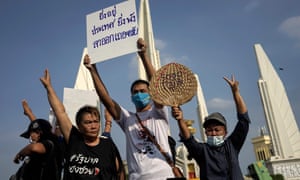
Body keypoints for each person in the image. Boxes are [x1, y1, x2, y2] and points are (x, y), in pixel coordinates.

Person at [84, 38, 175, 179]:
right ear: (131, 96)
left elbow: (157, 83)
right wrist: (92, 70)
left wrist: (143, 55)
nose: (139, 94)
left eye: (143, 91)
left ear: (151, 93)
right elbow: (106, 100)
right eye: (135, 92)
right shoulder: (127, 119)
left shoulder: (159, 113)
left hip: (162, 176)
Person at [40, 69, 125, 180]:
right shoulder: (74, 139)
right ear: (79, 126)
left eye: (96, 122)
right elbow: (60, 112)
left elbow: (120, 173)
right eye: (88, 122)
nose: (93, 126)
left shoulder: (108, 145)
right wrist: (49, 88)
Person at [171, 75, 250, 180]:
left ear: (225, 132)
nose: (213, 133)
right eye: (209, 130)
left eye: (217, 130)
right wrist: (180, 119)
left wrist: (236, 93)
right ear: (205, 133)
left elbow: (243, 121)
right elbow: (188, 139)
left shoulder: (232, 146)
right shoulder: (202, 151)